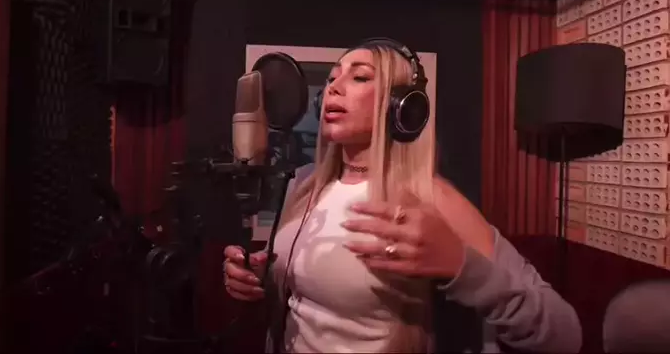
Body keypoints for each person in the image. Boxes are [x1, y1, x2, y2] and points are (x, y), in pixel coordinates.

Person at [222, 38, 582, 353]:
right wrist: (259, 278)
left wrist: (462, 266)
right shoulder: (302, 185)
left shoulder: (433, 199)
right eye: (332, 79)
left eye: (360, 77)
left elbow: (564, 335)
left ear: (403, 106)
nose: (334, 88)